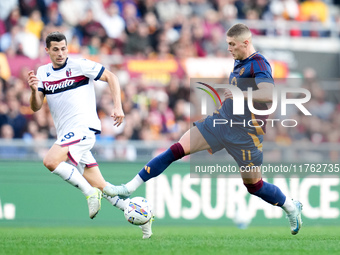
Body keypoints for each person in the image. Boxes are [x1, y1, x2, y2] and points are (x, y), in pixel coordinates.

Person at [104, 23, 303, 235]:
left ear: (246, 43)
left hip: (246, 134)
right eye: (228, 44)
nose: (228, 48)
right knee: (176, 149)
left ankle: (290, 207)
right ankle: (129, 187)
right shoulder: (239, 60)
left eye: (232, 44)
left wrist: (240, 95)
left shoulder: (260, 64)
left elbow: (268, 94)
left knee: (254, 186)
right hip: (221, 122)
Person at [27, 31, 152, 239]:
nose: (60, 53)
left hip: (84, 129)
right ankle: (144, 219)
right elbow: (36, 107)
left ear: (68, 47)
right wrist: (33, 91)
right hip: (67, 135)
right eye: (55, 49)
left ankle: (89, 193)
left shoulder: (79, 65)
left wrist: (118, 107)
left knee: (50, 161)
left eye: (64, 48)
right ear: (47, 50)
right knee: (106, 188)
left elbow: (111, 76)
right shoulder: (42, 73)